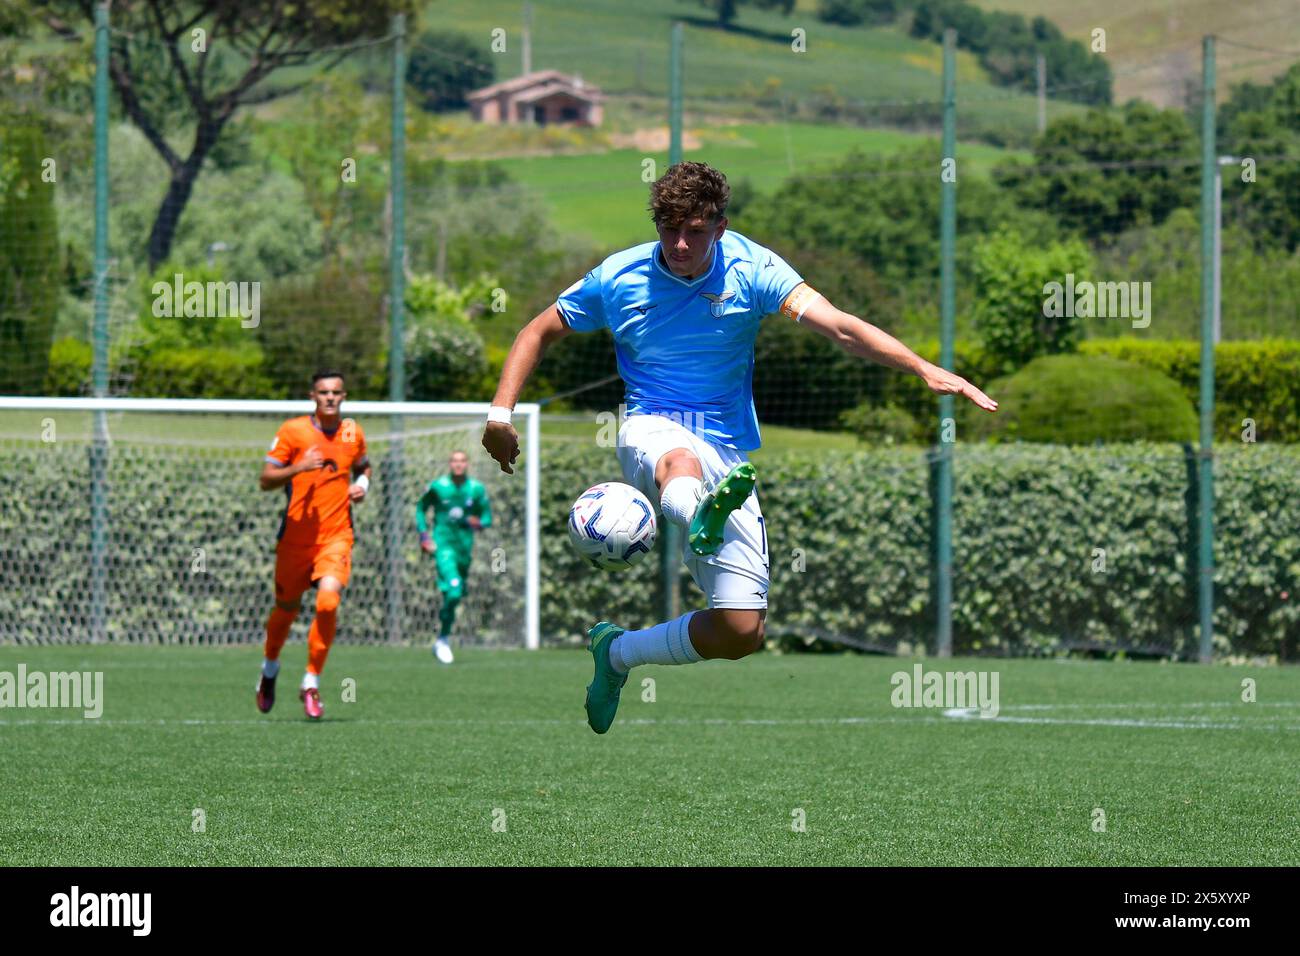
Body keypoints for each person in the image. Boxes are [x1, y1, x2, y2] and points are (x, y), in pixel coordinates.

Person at [481, 161, 997, 734]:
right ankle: (696, 508)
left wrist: (921, 367)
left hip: (727, 450)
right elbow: (537, 330)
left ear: (720, 227)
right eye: (669, 228)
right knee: (682, 463)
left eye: (695, 230)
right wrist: (500, 414)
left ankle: (617, 653)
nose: (680, 243)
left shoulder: (754, 268)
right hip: (652, 422)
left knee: (740, 630)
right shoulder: (618, 275)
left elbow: (840, 327)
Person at [256, 370, 370, 720]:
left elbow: (365, 465)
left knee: (328, 600)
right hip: (294, 540)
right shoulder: (293, 431)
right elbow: (265, 480)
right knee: (285, 610)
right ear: (313, 396)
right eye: (324, 392)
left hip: (336, 537)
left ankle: (310, 681)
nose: (330, 398)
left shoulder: (352, 431)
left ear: (344, 396)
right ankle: (270, 670)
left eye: (336, 392)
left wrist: (363, 484)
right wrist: (299, 467)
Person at [415, 450, 492, 664]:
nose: (458, 465)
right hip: (443, 548)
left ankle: (442, 639)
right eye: (454, 461)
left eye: (462, 461)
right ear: (450, 464)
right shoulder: (439, 487)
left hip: (464, 551)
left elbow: (486, 516)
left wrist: (478, 523)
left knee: (455, 594)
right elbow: (420, 508)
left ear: (467, 464)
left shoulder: (476, 489)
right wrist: (423, 535)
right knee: (455, 591)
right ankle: (443, 639)